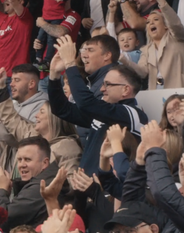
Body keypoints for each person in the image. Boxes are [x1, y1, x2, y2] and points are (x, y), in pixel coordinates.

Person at [48, 35, 148, 175]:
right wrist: (54, 75)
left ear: (125, 89)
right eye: (102, 84)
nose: (102, 89)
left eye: (108, 85)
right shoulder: (104, 114)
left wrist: (71, 64)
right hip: (89, 186)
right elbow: (62, 109)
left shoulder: (131, 114)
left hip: (112, 190)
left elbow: (87, 104)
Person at [119, 0, 184, 89]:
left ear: (165, 25)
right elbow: (142, 72)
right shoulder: (146, 49)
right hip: (157, 92)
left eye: (156, 20)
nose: (151, 23)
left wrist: (160, 0)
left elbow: (175, 23)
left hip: (180, 88)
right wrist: (125, 61)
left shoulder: (177, 38)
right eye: (148, 22)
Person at [0, 136, 70, 231]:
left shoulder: (39, 188)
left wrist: (1, 190)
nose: (22, 165)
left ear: (45, 163)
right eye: (19, 160)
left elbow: (1, 221)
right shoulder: (43, 180)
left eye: (27, 160)